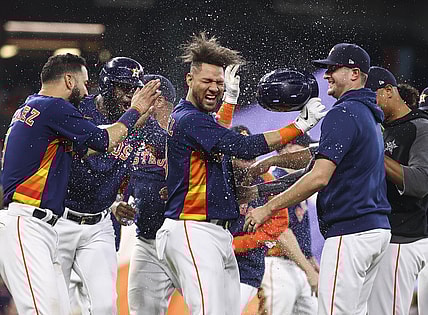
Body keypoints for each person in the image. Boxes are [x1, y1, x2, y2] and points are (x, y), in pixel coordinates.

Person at [155, 32, 327, 315]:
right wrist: (299, 126)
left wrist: (230, 100)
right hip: (192, 228)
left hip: (211, 231)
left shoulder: (196, 119)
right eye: (207, 81)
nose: (214, 88)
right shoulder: (188, 118)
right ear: (189, 79)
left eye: (219, 83)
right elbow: (242, 146)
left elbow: (218, 136)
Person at [0, 53, 156, 315]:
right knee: (40, 311)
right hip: (27, 222)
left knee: (57, 309)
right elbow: (103, 141)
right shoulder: (55, 107)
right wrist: (136, 110)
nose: (86, 90)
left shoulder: (33, 107)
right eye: (83, 82)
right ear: (69, 80)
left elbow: (86, 150)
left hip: (41, 223)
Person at [243, 43, 391, 315]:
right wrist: (272, 165)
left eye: (334, 69)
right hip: (376, 231)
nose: (326, 75)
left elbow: (319, 177)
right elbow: (313, 163)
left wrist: (268, 206)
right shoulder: (370, 116)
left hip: (351, 232)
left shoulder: (343, 113)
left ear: (355, 74)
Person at [54, 57, 160, 315]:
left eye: (135, 89)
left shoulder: (143, 122)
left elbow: (175, 149)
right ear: (106, 86)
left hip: (99, 223)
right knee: (55, 306)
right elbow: (91, 150)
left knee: (104, 307)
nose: (130, 96)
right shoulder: (78, 109)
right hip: (59, 219)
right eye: (123, 88)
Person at [364, 66, 428, 314]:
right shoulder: (382, 128)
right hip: (386, 234)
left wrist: (370, 146)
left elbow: (420, 183)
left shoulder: (419, 127)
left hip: (405, 236)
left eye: (371, 95)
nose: (366, 102)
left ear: (389, 91)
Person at [124, 74, 177, 315]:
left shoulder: (186, 127)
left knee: (210, 307)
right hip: (147, 239)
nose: (131, 100)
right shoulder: (132, 133)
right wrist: (117, 203)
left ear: (158, 100)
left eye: (138, 94)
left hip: (186, 236)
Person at [227, 125, 289, 313]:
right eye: (240, 149)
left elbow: (280, 221)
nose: (246, 154)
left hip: (247, 266)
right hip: (212, 259)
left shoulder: (265, 177)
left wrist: (239, 244)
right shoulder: (215, 175)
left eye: (249, 148)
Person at [259, 134, 319, 315]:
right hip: (275, 264)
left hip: (297, 264)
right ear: (288, 149)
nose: (311, 157)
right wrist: (310, 271)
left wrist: (310, 261)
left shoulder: (299, 183)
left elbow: (298, 231)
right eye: (306, 149)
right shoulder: (276, 183)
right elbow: (281, 232)